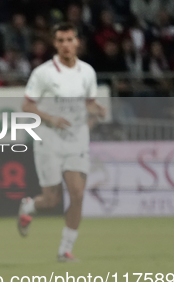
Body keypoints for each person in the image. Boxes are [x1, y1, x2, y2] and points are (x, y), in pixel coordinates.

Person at [18, 22, 106, 262]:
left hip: (77, 140)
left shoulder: (87, 71)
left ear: (77, 42)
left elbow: (88, 102)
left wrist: (97, 109)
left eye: (70, 39)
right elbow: (27, 105)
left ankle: (65, 250)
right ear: (54, 44)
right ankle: (29, 206)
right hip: (49, 140)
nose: (66, 45)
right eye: (61, 40)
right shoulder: (43, 73)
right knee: (51, 200)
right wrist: (51, 118)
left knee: (77, 194)